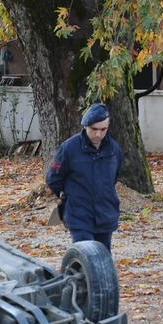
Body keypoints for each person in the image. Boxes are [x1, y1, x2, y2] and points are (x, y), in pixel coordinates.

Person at [45, 103, 123, 252]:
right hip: (79, 215)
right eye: (94, 129)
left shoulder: (114, 150)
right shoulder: (69, 148)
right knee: (85, 257)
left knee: (103, 260)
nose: (98, 134)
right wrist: (65, 195)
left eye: (103, 129)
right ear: (85, 126)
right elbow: (53, 178)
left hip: (105, 214)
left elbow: (114, 177)